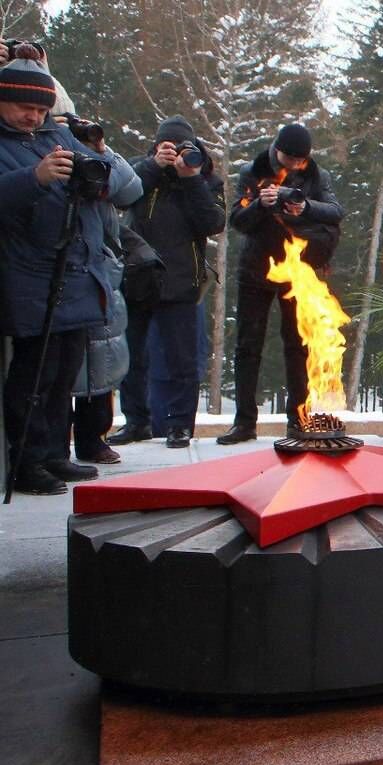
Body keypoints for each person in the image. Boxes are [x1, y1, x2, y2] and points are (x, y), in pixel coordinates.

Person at [0, 46, 124, 494]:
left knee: (65, 373)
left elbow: (106, 176)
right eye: (24, 107)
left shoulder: (59, 134)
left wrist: (99, 171)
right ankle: (27, 460)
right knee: (35, 374)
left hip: (77, 270)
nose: (33, 117)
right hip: (31, 275)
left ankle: (56, 452)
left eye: (40, 108)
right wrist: (36, 177)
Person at [218, 123, 343, 444]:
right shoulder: (253, 171)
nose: (296, 166)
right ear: (277, 150)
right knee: (248, 345)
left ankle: (298, 419)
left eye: (302, 160)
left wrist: (304, 206)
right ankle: (244, 422)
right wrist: (261, 202)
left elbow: (335, 211)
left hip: (298, 270)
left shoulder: (317, 175)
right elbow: (237, 220)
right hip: (256, 270)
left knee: (298, 345)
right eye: (291, 159)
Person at [109, 115, 226, 449]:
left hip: (181, 279)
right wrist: (152, 166)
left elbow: (212, 222)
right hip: (138, 276)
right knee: (133, 356)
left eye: (181, 147)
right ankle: (136, 421)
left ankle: (179, 424)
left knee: (182, 360)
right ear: (156, 145)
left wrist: (190, 179)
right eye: (168, 147)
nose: (175, 154)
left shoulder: (206, 179)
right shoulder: (137, 171)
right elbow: (120, 197)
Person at [68, 147, 146, 466]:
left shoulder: (88, 153)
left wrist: (100, 150)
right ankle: (52, 446)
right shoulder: (42, 153)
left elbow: (131, 189)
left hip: (101, 267)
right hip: (59, 264)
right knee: (59, 364)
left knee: (103, 356)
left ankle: (93, 438)